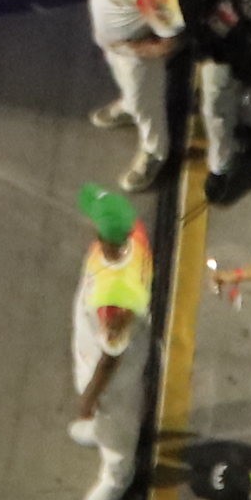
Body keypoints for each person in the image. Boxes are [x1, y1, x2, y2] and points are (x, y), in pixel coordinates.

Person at [66, 182, 157, 474]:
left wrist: (89, 398)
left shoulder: (115, 302)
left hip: (113, 376)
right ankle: (103, 430)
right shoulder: (135, 235)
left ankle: (118, 474)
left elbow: (109, 361)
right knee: (114, 417)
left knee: (118, 421)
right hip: (98, 345)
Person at [87, 0, 184, 159]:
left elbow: (170, 40)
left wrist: (134, 50)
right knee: (127, 88)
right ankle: (129, 105)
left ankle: (155, 152)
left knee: (147, 106)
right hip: (113, 46)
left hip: (135, 58)